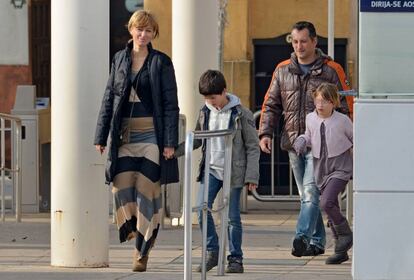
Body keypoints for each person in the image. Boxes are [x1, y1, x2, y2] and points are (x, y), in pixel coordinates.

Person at [94, 10, 179, 272]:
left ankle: (141, 251)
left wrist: (169, 142)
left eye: (149, 31)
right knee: (120, 187)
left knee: (146, 190)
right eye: (139, 30)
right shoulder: (119, 59)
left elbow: (170, 104)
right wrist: (101, 135)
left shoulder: (161, 62)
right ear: (131, 30)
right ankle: (133, 228)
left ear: (154, 34)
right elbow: (109, 97)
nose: (143, 35)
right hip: (124, 136)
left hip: (152, 136)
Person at [258, 21, 350, 258]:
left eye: (303, 41)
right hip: (293, 144)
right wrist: (265, 133)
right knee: (307, 196)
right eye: (295, 41)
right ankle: (318, 242)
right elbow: (271, 104)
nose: (298, 46)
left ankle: (301, 237)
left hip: (323, 147)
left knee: (310, 193)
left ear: (314, 42)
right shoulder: (282, 69)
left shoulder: (331, 70)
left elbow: (347, 107)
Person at [175, 70, 260, 273]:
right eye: (207, 99)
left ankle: (235, 258)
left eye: (214, 98)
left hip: (234, 170)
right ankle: (212, 251)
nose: (212, 102)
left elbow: (252, 146)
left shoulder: (241, 113)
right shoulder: (205, 112)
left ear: (224, 91)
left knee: (232, 217)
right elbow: (197, 138)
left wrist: (251, 176)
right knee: (201, 208)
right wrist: (175, 151)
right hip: (211, 169)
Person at [293, 83, 353, 264]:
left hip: (340, 166)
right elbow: (308, 135)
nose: (321, 105)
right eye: (318, 100)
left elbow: (356, 137)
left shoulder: (342, 120)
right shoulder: (311, 118)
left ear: (333, 102)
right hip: (321, 167)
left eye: (326, 101)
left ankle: (345, 235)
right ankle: (340, 250)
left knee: (326, 202)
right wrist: (302, 140)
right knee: (331, 204)